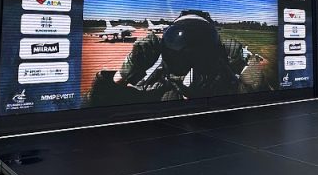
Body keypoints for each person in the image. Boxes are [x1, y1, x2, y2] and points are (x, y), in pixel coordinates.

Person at [89, 10, 244, 105]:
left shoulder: (153, 94)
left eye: (200, 51)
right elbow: (95, 102)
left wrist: (245, 70)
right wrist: (123, 73)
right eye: (183, 53)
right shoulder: (155, 93)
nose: (192, 70)